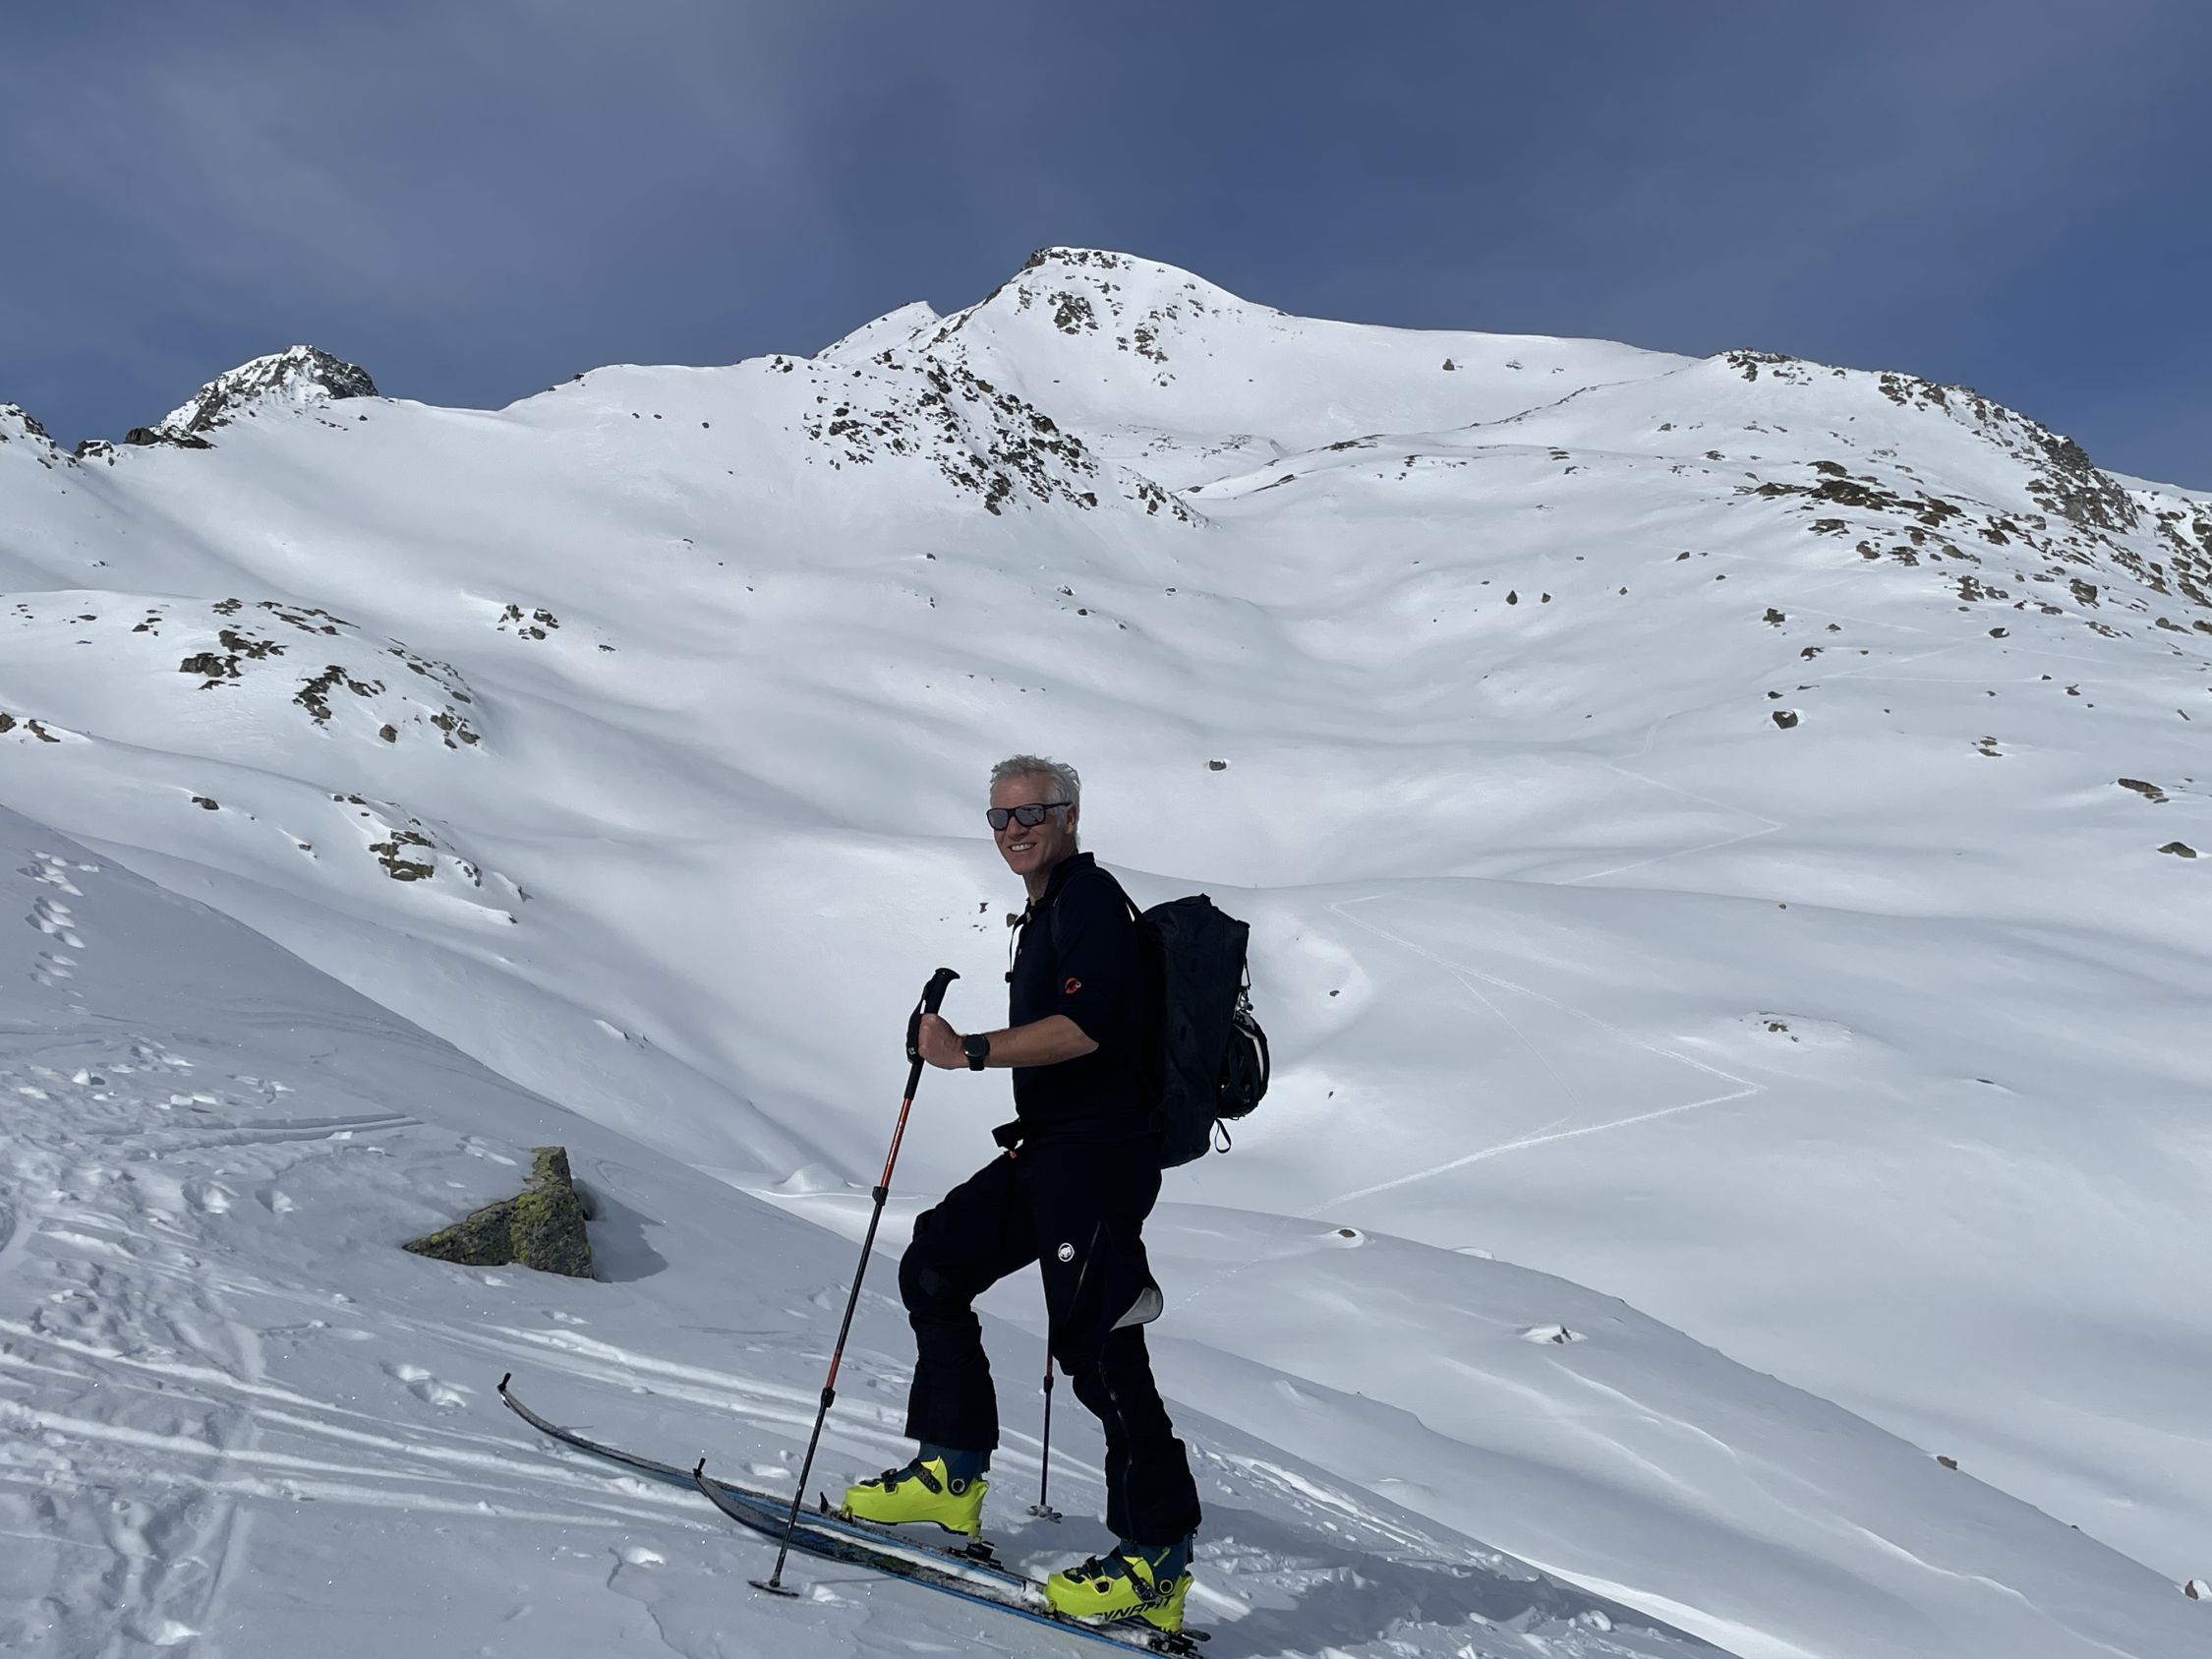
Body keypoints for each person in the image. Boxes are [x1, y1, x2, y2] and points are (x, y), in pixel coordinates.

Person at [841, 754, 1202, 1632]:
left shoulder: (1087, 901)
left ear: (1069, 815)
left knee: (1102, 1347)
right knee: (936, 1262)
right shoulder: (1047, 909)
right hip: (1051, 1152)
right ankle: (950, 1472)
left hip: (1098, 1159)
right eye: (1001, 817)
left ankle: (1157, 1556)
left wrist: (968, 1049)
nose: (1015, 830)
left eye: (1032, 813)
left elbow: (1085, 1028)